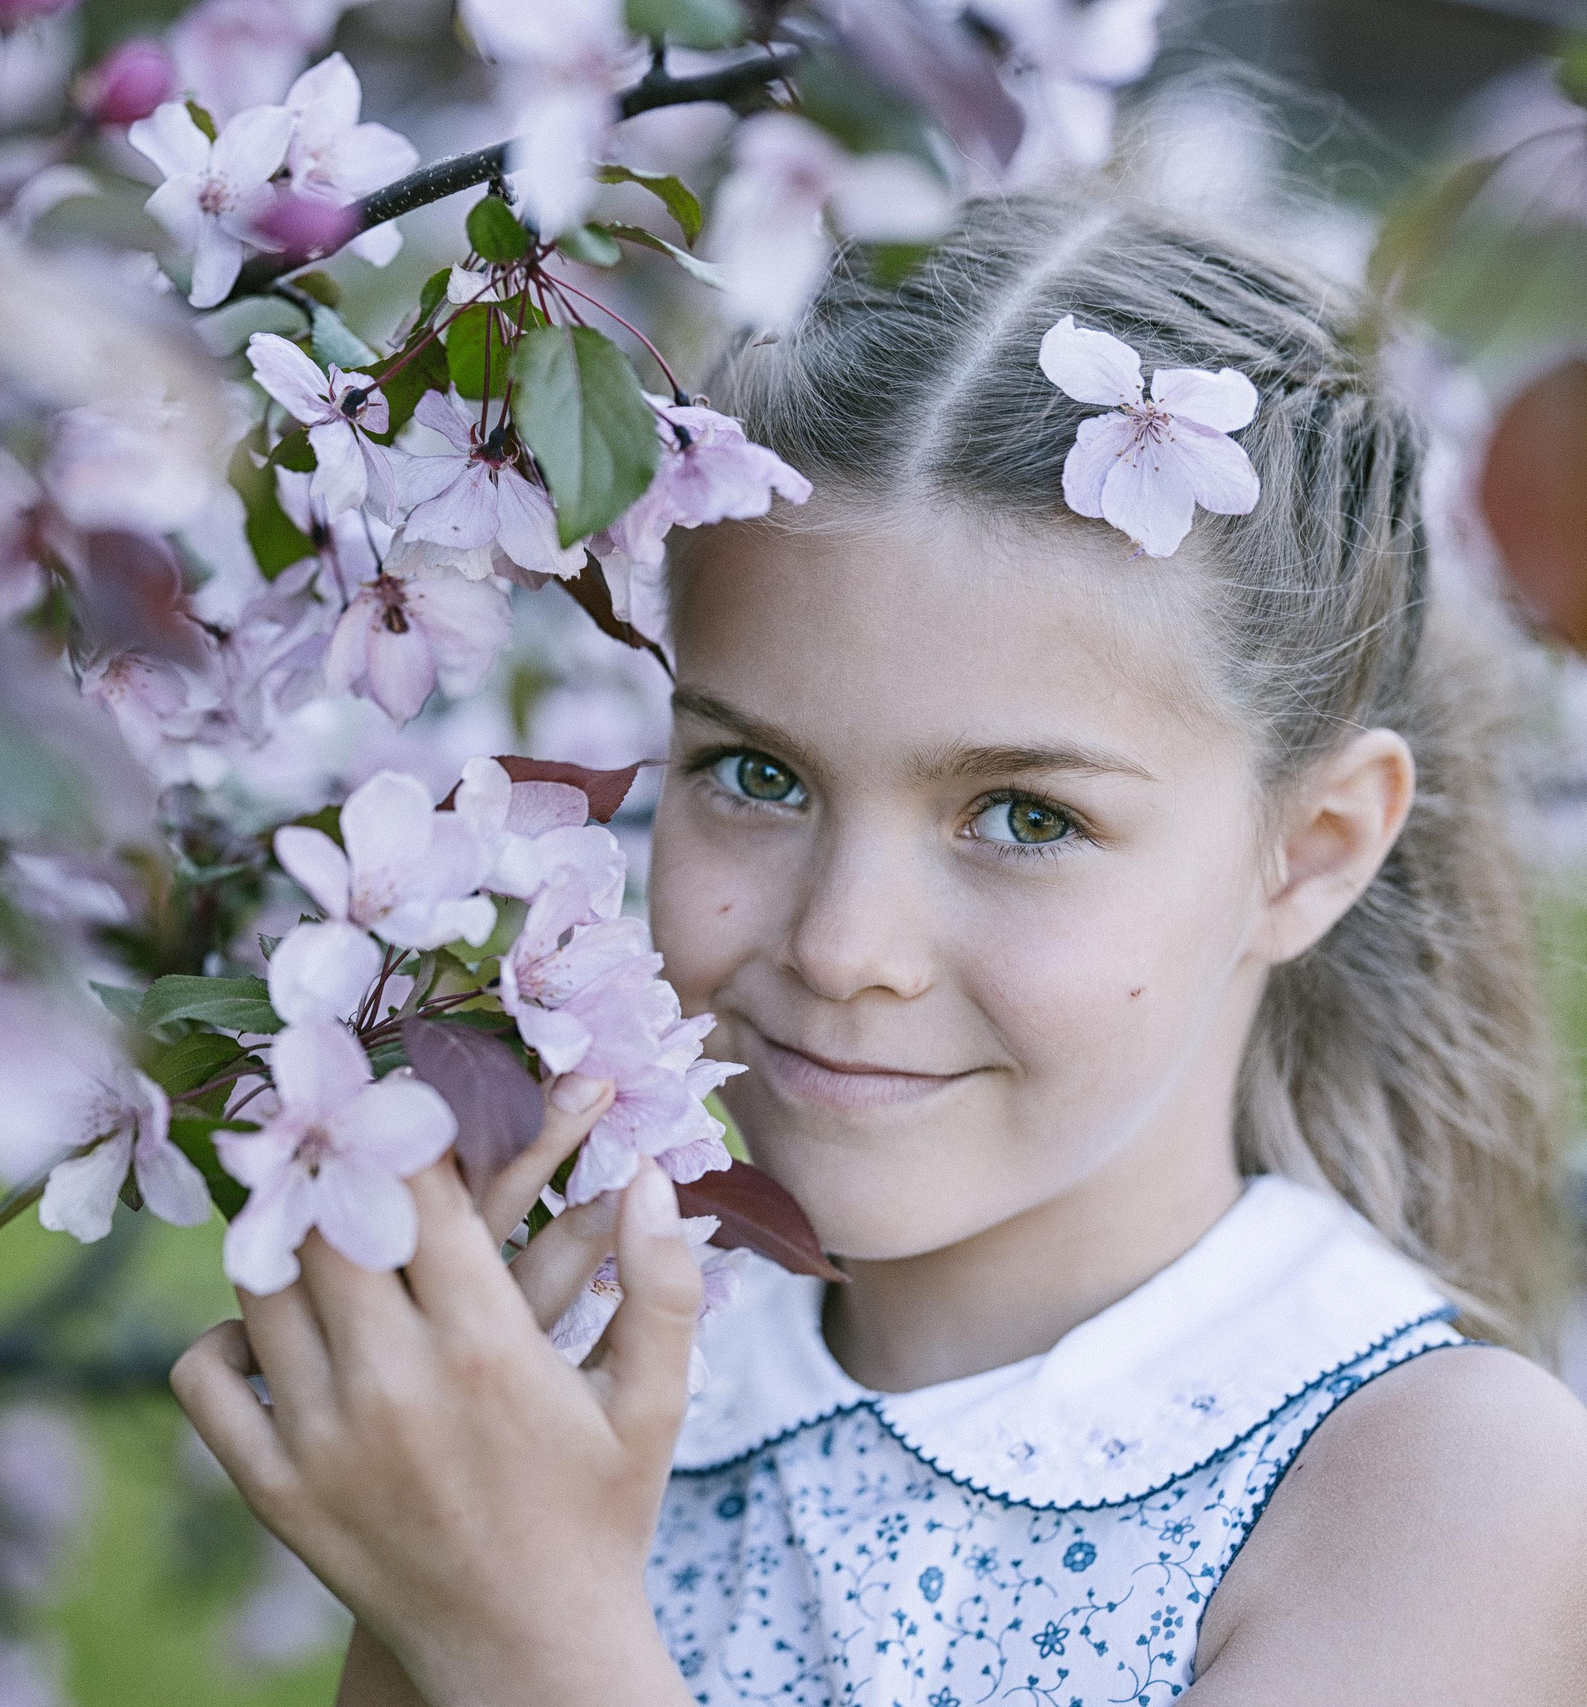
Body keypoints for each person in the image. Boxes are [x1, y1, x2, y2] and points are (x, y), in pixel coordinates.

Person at [168, 189, 1587, 1705]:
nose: (846, 950)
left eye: (1026, 818)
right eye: (757, 776)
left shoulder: (1436, 1490)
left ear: (1309, 855)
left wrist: (523, 1636)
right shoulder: (587, 1386)